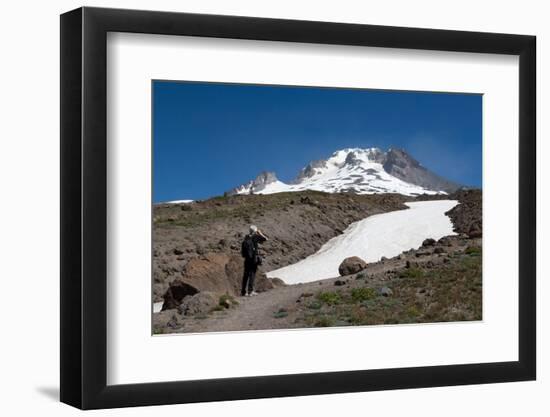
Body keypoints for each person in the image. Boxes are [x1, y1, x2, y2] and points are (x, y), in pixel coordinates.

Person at [240, 225, 268, 296]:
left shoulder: (246, 238)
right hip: (253, 259)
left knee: (245, 275)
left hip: (247, 259)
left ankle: (243, 292)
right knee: (252, 275)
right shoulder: (255, 238)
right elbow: (265, 239)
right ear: (255, 231)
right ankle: (250, 291)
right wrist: (260, 233)